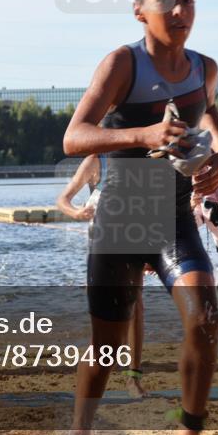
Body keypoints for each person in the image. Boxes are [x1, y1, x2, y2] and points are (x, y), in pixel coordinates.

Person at [63, 0, 218, 435]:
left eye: (189, 0)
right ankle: (80, 433)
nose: (180, 10)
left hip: (174, 218)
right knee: (107, 351)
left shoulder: (205, 68)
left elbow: (210, 113)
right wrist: (145, 133)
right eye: (167, 1)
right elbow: (74, 137)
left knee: (205, 320)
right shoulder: (121, 63)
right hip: (119, 221)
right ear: (140, 10)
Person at [57, 154, 148, 398]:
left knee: (136, 305)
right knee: (101, 314)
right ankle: (100, 369)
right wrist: (76, 213)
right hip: (100, 245)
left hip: (133, 238)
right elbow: (63, 200)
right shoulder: (95, 162)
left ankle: (133, 376)